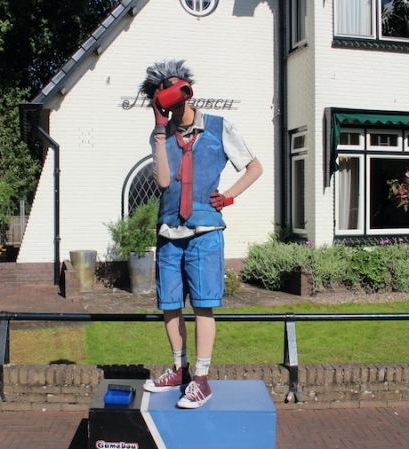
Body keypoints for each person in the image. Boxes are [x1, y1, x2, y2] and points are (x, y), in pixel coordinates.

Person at [140, 60, 263, 409]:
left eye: (173, 87)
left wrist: (229, 196)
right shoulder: (161, 135)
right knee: (170, 305)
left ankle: (202, 379)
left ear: (186, 89)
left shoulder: (219, 127)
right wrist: (160, 131)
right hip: (169, 231)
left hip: (205, 231)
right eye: (162, 92)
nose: (170, 95)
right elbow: (163, 181)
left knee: (203, 305)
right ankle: (179, 370)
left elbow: (254, 166)